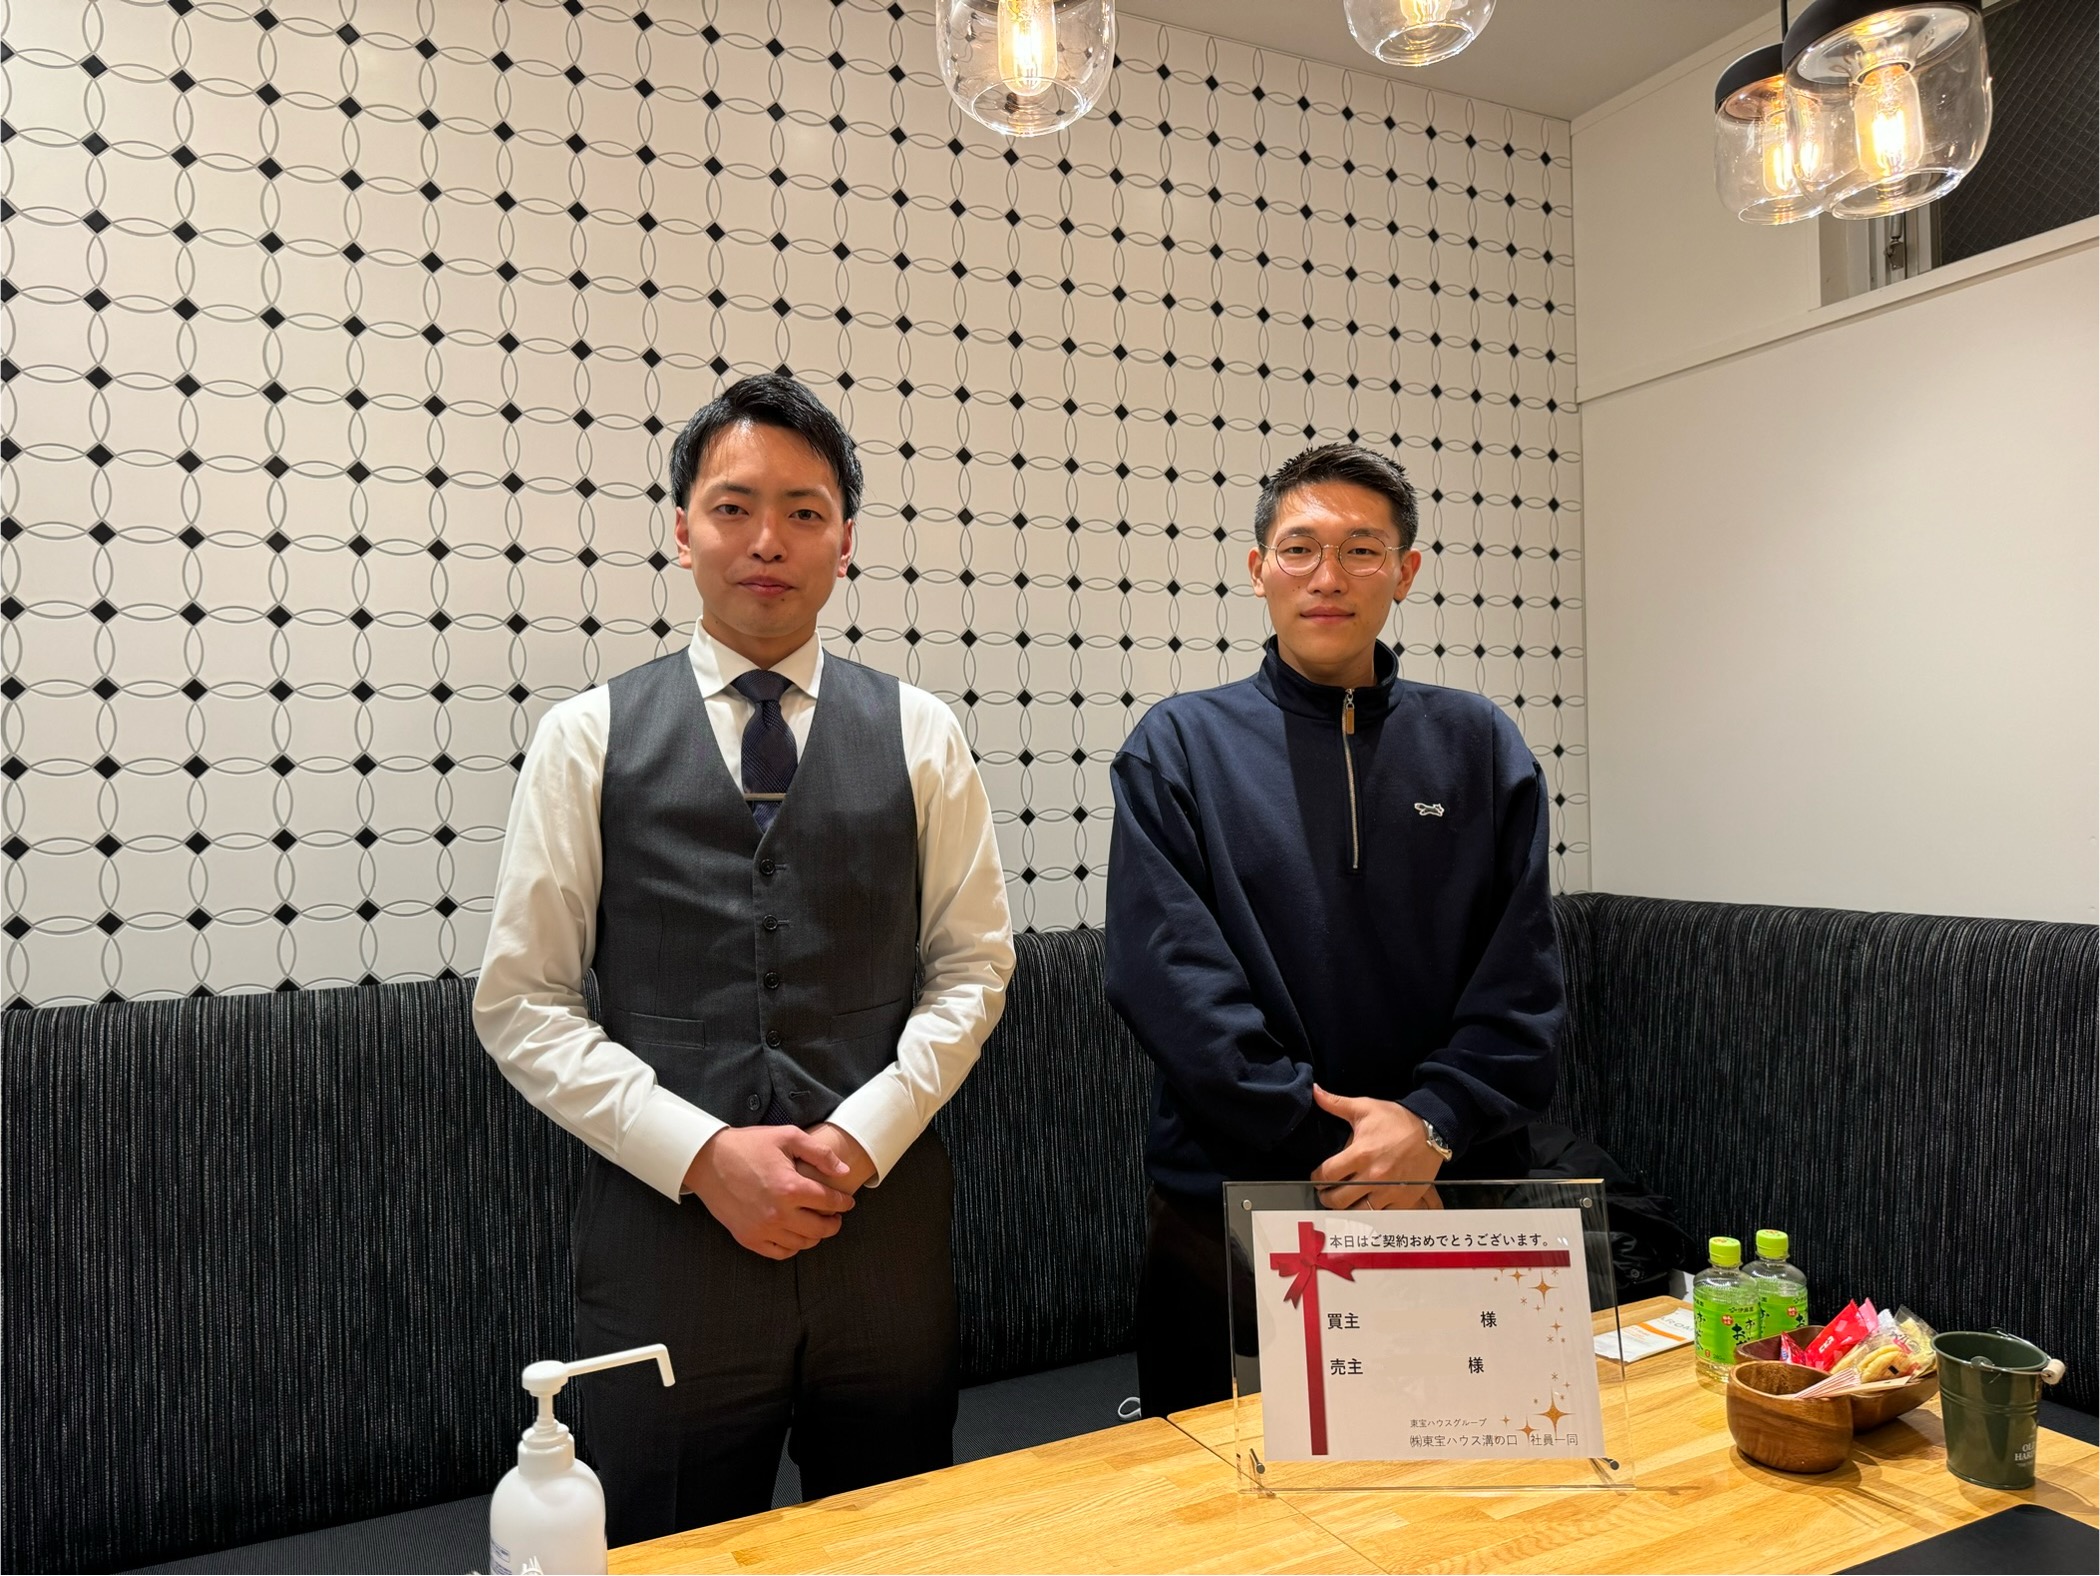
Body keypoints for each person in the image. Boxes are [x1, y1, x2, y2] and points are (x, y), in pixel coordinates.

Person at [474, 373, 1014, 1539]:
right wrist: (704, 1153)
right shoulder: (585, 737)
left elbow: (973, 967)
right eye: (734, 507)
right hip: (665, 1249)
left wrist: (864, 1136)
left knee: (894, 1546)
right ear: (684, 530)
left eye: (804, 512)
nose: (768, 540)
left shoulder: (923, 733)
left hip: (885, 1243)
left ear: (845, 542)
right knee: (663, 1545)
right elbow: (525, 1003)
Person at [1103, 441, 1564, 1418]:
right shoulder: (1177, 746)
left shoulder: (1480, 744)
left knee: (1469, 1485)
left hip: (1451, 1191)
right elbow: (1170, 983)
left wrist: (1430, 1127)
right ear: (1258, 568)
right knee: (1217, 1495)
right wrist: (1357, 1154)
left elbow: (1522, 984)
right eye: (1300, 548)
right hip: (1234, 1207)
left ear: (1405, 572)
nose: (1328, 577)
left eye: (1361, 550)